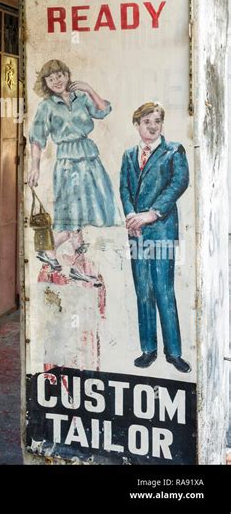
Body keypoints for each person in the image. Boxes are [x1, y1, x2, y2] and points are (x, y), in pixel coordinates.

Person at [27, 59, 121, 284]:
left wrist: (89, 89)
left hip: (89, 158)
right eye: (51, 78)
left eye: (60, 75)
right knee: (72, 215)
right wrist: (35, 167)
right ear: (46, 83)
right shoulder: (46, 107)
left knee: (83, 214)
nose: (57, 80)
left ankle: (77, 266)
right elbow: (37, 139)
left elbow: (103, 111)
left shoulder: (82, 99)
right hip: (68, 162)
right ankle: (50, 250)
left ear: (68, 75)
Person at [119, 102, 191, 373]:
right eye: (147, 121)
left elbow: (179, 184)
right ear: (136, 124)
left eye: (157, 121)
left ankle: (173, 353)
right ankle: (148, 349)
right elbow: (124, 188)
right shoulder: (128, 155)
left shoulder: (174, 151)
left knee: (163, 289)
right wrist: (130, 217)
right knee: (143, 291)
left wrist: (151, 214)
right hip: (136, 232)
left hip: (161, 230)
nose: (152, 125)